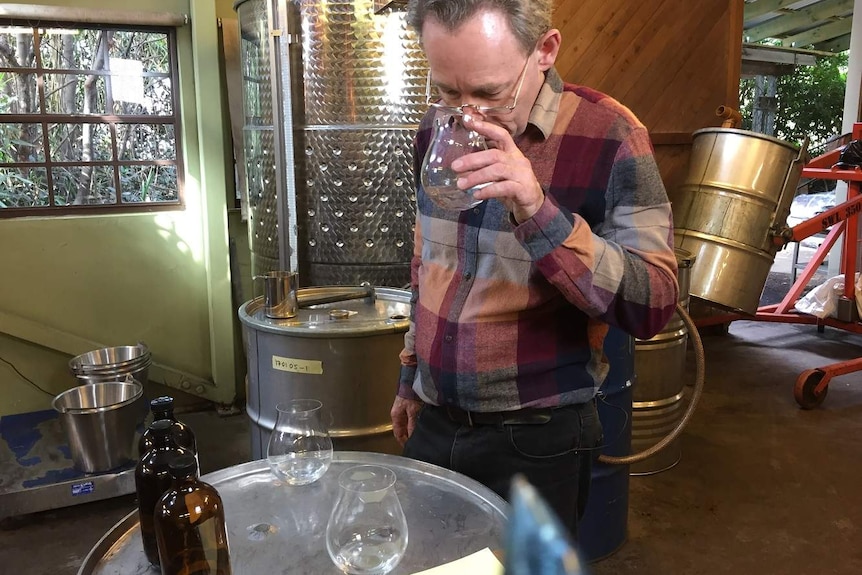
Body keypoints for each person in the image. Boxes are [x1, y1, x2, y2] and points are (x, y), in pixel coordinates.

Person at [390, 0, 679, 538]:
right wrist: (410, 378)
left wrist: (536, 208)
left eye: (489, 94)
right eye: (448, 91)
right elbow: (427, 263)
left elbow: (654, 302)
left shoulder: (610, 135)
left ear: (544, 51)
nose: (466, 116)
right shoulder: (435, 129)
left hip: (537, 439)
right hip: (434, 421)